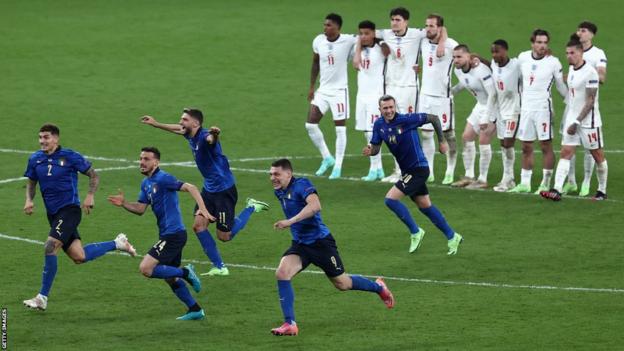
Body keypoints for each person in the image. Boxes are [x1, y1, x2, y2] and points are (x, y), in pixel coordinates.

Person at [269, 158, 395, 336]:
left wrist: (290, 222)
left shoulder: (302, 184)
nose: (272, 178)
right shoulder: (280, 191)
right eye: (271, 174)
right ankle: (290, 323)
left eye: (276, 174)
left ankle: (379, 287)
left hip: (321, 243)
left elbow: (315, 206)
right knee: (282, 273)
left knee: (342, 284)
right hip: (300, 244)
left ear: (288, 174)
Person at [141, 108, 269, 276]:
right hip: (209, 189)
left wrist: (215, 135)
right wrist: (155, 124)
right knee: (198, 226)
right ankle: (220, 267)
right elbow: (177, 129)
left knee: (224, 236)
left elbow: (211, 140)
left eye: (185, 119)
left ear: (196, 123)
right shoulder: (189, 134)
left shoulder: (204, 136)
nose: (181, 122)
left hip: (224, 191)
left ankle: (251, 207)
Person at [23, 124, 137, 311]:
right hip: (53, 215)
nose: (42, 141)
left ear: (56, 139)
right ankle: (118, 243)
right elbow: (31, 182)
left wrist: (90, 195)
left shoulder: (70, 156)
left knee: (50, 246)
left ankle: (42, 297)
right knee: (79, 256)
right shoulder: (35, 159)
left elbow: (94, 175)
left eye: (46, 137)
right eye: (40, 137)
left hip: (69, 211)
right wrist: (29, 200)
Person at [108, 147, 209, 320]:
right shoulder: (146, 183)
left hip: (174, 235)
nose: (142, 162)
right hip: (168, 234)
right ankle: (195, 309)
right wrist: (124, 203)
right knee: (169, 276)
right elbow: (140, 208)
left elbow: (191, 187)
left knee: (146, 268)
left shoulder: (163, 178)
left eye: (146, 159)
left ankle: (186, 272)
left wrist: (203, 209)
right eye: (140, 158)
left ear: (156, 162)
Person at [363, 95, 463, 254]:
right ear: (380, 109)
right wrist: (370, 150)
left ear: (395, 106)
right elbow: (376, 147)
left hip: (418, 169)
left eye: (391, 107)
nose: (389, 111)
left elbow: (434, 118)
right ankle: (453, 236)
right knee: (425, 206)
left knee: (390, 199)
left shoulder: (407, 120)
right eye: (385, 108)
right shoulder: (379, 125)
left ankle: (416, 232)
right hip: (407, 171)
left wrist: (442, 141)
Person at [362, 7, 447, 183]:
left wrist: (441, 44)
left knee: (406, 129)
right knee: (393, 128)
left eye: (398, 20)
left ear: (406, 22)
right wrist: (382, 43)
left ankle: (417, 168)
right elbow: (365, 34)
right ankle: (398, 170)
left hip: (409, 88)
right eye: (392, 19)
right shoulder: (385, 34)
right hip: (391, 88)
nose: (394, 23)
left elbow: (441, 29)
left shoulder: (417, 34)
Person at [540, 39, 607, 201]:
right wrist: (550, 62)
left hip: (588, 122)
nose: (569, 56)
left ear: (581, 52)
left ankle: (601, 191)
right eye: (567, 53)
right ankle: (556, 189)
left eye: (572, 53)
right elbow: (567, 80)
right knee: (566, 153)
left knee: (597, 155)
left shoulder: (591, 73)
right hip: (572, 119)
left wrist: (577, 122)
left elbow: (591, 101)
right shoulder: (571, 69)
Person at [510, 29, 567, 194]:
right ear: (532, 43)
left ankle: (545, 182)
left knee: (545, 145)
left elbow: (561, 87)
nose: (542, 46)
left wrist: (571, 100)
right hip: (526, 108)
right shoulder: (523, 58)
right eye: (539, 42)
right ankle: (525, 183)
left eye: (545, 43)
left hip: (543, 108)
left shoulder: (553, 62)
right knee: (526, 146)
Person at [306, 13, 357, 179]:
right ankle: (327, 158)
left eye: (328, 25)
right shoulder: (318, 41)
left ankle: (338, 166)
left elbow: (368, 36)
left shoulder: (349, 40)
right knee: (310, 125)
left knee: (340, 129)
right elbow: (315, 63)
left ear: (337, 27)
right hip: (323, 90)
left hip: (339, 92)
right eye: (324, 25)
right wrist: (312, 86)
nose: (325, 28)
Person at [563, 21, 608, 196]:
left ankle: (587, 182)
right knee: (568, 145)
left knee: (592, 149)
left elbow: (602, 76)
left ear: (592, 35)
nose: (579, 33)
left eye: (584, 30)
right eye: (578, 30)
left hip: (588, 108)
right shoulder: (572, 51)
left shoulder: (598, 54)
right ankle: (571, 181)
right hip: (572, 106)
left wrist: (587, 73)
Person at [418, 14, 458, 185]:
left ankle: (450, 170)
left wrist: (443, 41)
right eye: (427, 25)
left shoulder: (451, 45)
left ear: (440, 28)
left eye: (432, 26)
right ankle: (430, 172)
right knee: (426, 134)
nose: (428, 28)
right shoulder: (423, 42)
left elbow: (464, 61)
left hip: (443, 98)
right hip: (425, 96)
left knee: (448, 134)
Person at [450, 44, 498, 189]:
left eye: (459, 57)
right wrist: (451, 91)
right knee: (466, 137)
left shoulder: (481, 71)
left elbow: (493, 94)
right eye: (454, 57)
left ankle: (482, 179)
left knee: (483, 140)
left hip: (494, 106)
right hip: (480, 105)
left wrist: (486, 117)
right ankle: (469, 176)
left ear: (468, 57)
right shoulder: (458, 70)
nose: (456, 60)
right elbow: (464, 84)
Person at [354, 20, 389, 181]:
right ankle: (379, 168)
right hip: (362, 96)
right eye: (361, 33)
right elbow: (355, 64)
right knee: (366, 132)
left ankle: (373, 168)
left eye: (367, 33)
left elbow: (388, 52)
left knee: (372, 133)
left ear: (374, 33)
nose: (363, 36)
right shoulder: (359, 49)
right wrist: (358, 44)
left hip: (376, 96)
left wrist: (380, 40)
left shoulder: (380, 48)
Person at [490, 40, 521, 192]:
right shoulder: (493, 65)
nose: (495, 55)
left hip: (514, 111)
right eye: (493, 52)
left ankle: (507, 179)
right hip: (500, 111)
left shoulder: (516, 65)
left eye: (498, 51)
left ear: (506, 50)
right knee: (503, 145)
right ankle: (509, 179)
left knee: (508, 143)